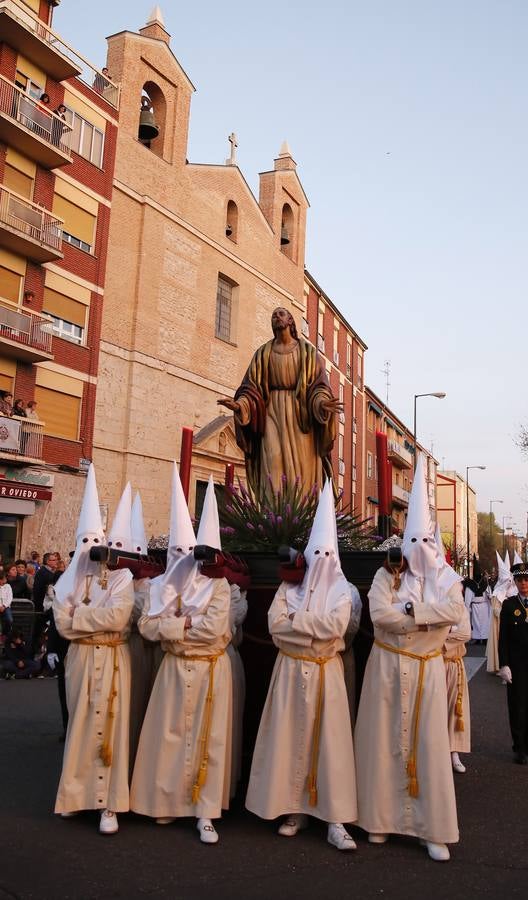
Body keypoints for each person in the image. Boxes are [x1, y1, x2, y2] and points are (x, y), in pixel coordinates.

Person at [354, 455, 465, 862]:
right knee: (383, 742)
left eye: (425, 542)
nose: (418, 550)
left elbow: (453, 614)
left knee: (427, 746)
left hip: (426, 671)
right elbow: (378, 613)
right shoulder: (388, 573)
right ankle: (379, 820)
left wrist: (412, 615)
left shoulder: (447, 580)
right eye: (411, 541)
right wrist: (422, 622)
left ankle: (429, 828)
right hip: (386, 667)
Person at [246, 480, 358, 851]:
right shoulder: (288, 589)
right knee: (289, 738)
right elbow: (274, 626)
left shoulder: (343, 591)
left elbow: (336, 627)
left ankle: (335, 818)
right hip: (291, 671)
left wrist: (297, 624)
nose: (322, 561)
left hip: (327, 673)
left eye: (329, 554)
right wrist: (308, 629)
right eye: (317, 553)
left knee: (331, 743)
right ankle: (294, 808)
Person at [130, 471, 233, 845]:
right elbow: (146, 626)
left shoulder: (220, 586)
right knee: (168, 735)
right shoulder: (162, 586)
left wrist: (176, 625)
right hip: (174, 669)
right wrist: (187, 624)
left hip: (209, 669)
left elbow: (216, 629)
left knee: (208, 739)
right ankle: (166, 801)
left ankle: (205, 811)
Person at [53, 464, 134, 834]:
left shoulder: (121, 577)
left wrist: (80, 614)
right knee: (82, 723)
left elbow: (118, 618)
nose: (90, 550)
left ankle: (108, 805)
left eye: (94, 543)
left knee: (112, 725)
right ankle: (74, 796)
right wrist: (90, 615)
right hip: (81, 659)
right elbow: (60, 622)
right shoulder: (65, 580)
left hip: (113, 656)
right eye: (84, 542)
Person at [217, 307, 340, 500]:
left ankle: (302, 516)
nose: (276, 317)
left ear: (291, 321)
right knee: (271, 459)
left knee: (301, 469)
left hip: (301, 416)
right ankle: (272, 515)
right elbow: (251, 387)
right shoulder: (263, 353)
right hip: (271, 413)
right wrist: (240, 405)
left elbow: (318, 386)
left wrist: (321, 404)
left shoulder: (307, 352)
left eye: (281, 314)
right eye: (273, 315)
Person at [498, 562, 528, 765]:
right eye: (520, 580)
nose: (524, 583)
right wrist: (504, 664)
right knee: (518, 706)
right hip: (517, 665)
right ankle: (520, 748)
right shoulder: (509, 605)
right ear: (515, 582)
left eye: (526, 580)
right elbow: (504, 638)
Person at [486, 551, 516, 676]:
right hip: (498, 624)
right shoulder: (497, 593)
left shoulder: (506, 592)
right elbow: (496, 610)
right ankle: (499, 665)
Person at [0, 569, 13, 639]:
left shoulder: (8, 586)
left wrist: (4, 606)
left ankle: (5, 634)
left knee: (9, 620)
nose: (6, 580)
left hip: (6, 607)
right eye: (4, 578)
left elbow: (10, 597)